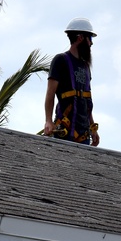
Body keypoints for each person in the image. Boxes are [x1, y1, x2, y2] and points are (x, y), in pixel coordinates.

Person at [44, 18, 100, 146]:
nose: (91, 44)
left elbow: (87, 103)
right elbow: (50, 93)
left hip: (83, 135)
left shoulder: (86, 67)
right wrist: (48, 121)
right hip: (64, 130)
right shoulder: (60, 61)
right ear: (80, 38)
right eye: (90, 39)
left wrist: (93, 128)